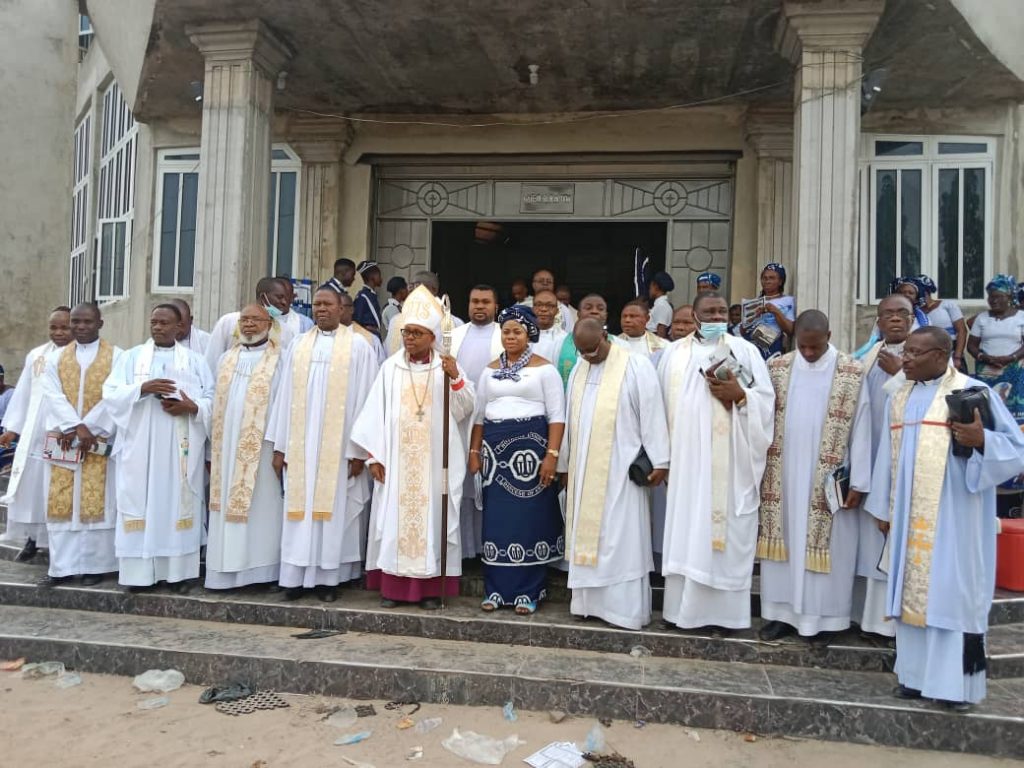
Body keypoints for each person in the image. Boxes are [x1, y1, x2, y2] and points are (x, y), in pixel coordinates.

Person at [866, 327, 1024, 709]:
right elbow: (889, 456)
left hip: (956, 518)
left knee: (951, 595)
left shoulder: (972, 392)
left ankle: (954, 686)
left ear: (942, 354)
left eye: (915, 353)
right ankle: (915, 677)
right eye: (906, 352)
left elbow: (1016, 450)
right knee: (912, 592)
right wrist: (885, 507)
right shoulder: (899, 396)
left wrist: (982, 440)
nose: (905, 359)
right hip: (909, 515)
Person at [349, 285, 475, 609]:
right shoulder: (391, 368)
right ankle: (393, 589)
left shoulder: (445, 366)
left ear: (432, 336)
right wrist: (374, 455)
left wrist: (456, 377)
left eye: (417, 333)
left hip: (434, 464)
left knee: (434, 521)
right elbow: (375, 411)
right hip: (397, 462)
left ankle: (431, 590)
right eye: (406, 332)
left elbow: (465, 409)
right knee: (394, 521)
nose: (409, 338)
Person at [657, 291, 775, 630]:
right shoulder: (673, 354)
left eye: (722, 312)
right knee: (687, 531)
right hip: (686, 461)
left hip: (731, 459)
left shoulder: (745, 351)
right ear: (693, 316)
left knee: (722, 536)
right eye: (708, 312)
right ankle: (679, 612)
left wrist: (740, 397)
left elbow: (764, 402)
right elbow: (659, 409)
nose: (716, 318)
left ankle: (724, 616)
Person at [757, 310, 872, 641]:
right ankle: (780, 615)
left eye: (815, 347)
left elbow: (863, 427)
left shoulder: (851, 371)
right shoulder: (777, 368)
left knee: (829, 549)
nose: (808, 353)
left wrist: (859, 481)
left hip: (830, 478)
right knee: (782, 546)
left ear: (829, 335)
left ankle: (825, 620)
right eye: (803, 347)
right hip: (782, 473)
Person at [266, 288, 378, 602]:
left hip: (339, 447)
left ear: (342, 308)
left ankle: (330, 579)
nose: (321, 309)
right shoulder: (298, 345)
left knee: (334, 511)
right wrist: (280, 446)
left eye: (328, 304)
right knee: (298, 511)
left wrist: (359, 450)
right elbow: (283, 396)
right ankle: (294, 576)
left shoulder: (358, 346)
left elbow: (367, 400)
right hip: (300, 446)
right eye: (316, 304)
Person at [559, 319, 669, 629]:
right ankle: (588, 604)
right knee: (588, 534)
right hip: (585, 470)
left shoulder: (635, 366)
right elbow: (570, 419)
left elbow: (652, 413)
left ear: (606, 337)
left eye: (593, 350)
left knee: (622, 538)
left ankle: (624, 611)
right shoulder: (581, 369)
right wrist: (566, 464)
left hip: (621, 468)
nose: (589, 357)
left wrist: (660, 460)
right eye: (583, 352)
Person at [103, 304, 214, 591]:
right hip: (140, 446)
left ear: (180, 327)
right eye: (154, 322)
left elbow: (213, 399)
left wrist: (192, 407)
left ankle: (178, 574)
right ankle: (139, 576)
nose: (158, 327)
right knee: (140, 503)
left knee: (176, 503)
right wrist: (142, 388)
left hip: (180, 447)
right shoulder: (131, 358)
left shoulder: (195, 361)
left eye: (165, 323)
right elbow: (111, 394)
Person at [469, 306, 565, 614]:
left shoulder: (545, 369)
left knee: (529, 520)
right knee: (498, 522)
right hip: (495, 456)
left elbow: (557, 417)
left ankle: (530, 590)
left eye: (517, 332)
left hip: (532, 452)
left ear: (530, 334)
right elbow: (479, 416)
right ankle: (496, 589)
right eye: (506, 331)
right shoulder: (488, 370)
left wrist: (551, 456)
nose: (511, 337)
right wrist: (474, 452)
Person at [38, 303, 123, 587]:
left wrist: (92, 428)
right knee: (63, 504)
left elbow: (115, 396)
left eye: (87, 321)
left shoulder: (118, 357)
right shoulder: (57, 358)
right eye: (75, 322)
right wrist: (75, 427)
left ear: (100, 323)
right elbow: (52, 394)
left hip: (98, 441)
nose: (80, 327)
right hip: (67, 438)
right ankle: (60, 568)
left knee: (96, 505)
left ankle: (95, 567)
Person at [205, 304, 285, 591]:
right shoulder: (226, 358)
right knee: (225, 506)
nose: (249, 325)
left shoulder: (280, 359)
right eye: (244, 320)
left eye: (255, 320)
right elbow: (212, 402)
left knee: (263, 507)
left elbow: (285, 405)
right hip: (225, 449)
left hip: (262, 447)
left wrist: (280, 446)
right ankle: (222, 570)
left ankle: (262, 571)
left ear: (269, 324)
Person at [851, 293, 914, 638]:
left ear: (911, 317)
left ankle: (887, 623)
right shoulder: (869, 354)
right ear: (878, 320)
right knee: (865, 542)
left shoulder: (927, 355)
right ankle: (864, 615)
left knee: (890, 538)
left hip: (900, 462)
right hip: (869, 457)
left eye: (901, 313)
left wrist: (901, 373)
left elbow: (931, 401)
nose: (894, 319)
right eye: (887, 314)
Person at [0, 306, 72, 561]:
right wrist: (12, 429)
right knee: (31, 489)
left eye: (65, 327)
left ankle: (56, 542)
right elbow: (23, 392)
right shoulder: (37, 355)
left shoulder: (79, 356)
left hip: (63, 433)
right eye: (54, 327)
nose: (59, 332)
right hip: (34, 433)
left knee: (57, 488)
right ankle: (32, 539)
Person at [449, 284, 503, 556]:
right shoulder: (454, 336)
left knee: (488, 480)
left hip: (492, 417)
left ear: (496, 306)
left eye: (485, 302)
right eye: (474, 301)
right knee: (461, 480)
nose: (479, 306)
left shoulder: (504, 336)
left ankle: (486, 548)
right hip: (459, 417)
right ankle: (464, 551)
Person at [967, 274, 1024, 441]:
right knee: (989, 406)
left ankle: (1017, 442)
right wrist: (983, 357)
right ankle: (990, 440)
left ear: (1010, 297)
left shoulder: (1021, 317)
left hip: (1015, 371)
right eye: (991, 296)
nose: (993, 300)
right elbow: (972, 345)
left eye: (998, 296)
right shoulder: (981, 318)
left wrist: (1011, 358)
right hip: (987, 371)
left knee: (1014, 406)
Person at [205, 276, 299, 373]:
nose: (284, 302)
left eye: (286, 298)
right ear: (263, 297)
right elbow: (211, 361)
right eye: (279, 297)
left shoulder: (285, 330)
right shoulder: (229, 322)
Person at [383, 270, 463, 354]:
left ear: (434, 290)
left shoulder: (453, 323)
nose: (413, 291)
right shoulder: (396, 321)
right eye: (411, 286)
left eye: (418, 286)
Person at [555, 293, 628, 385]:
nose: (594, 311)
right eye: (588, 308)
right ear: (578, 314)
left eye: (600, 309)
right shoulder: (559, 342)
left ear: (606, 315)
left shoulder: (621, 345)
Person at [742, 263, 795, 360]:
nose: (767, 281)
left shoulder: (788, 301)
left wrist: (775, 311)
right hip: (751, 348)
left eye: (772, 278)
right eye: (764, 278)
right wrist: (753, 316)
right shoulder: (753, 302)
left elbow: (790, 330)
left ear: (780, 281)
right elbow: (743, 331)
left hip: (772, 349)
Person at [917, 275, 967, 369]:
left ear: (927, 291)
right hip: (928, 354)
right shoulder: (916, 312)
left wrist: (957, 357)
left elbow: (962, 331)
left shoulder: (948, 305)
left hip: (951, 351)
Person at [338, 291, 387, 365]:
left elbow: (379, 367)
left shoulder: (370, 339)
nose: (336, 311)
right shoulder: (324, 336)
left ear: (352, 310)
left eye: (340, 308)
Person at [532, 289, 568, 362]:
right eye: (539, 305)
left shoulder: (565, 339)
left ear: (557, 311)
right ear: (532, 309)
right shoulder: (522, 337)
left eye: (549, 305)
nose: (544, 309)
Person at [353, 260, 384, 336]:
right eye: (379, 275)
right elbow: (356, 322)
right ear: (372, 277)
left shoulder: (371, 295)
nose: (381, 278)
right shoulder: (362, 297)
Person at [647, 272, 674, 338]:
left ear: (655, 286)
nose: (649, 290)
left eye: (650, 287)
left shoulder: (661, 306)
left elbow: (661, 331)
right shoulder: (659, 304)